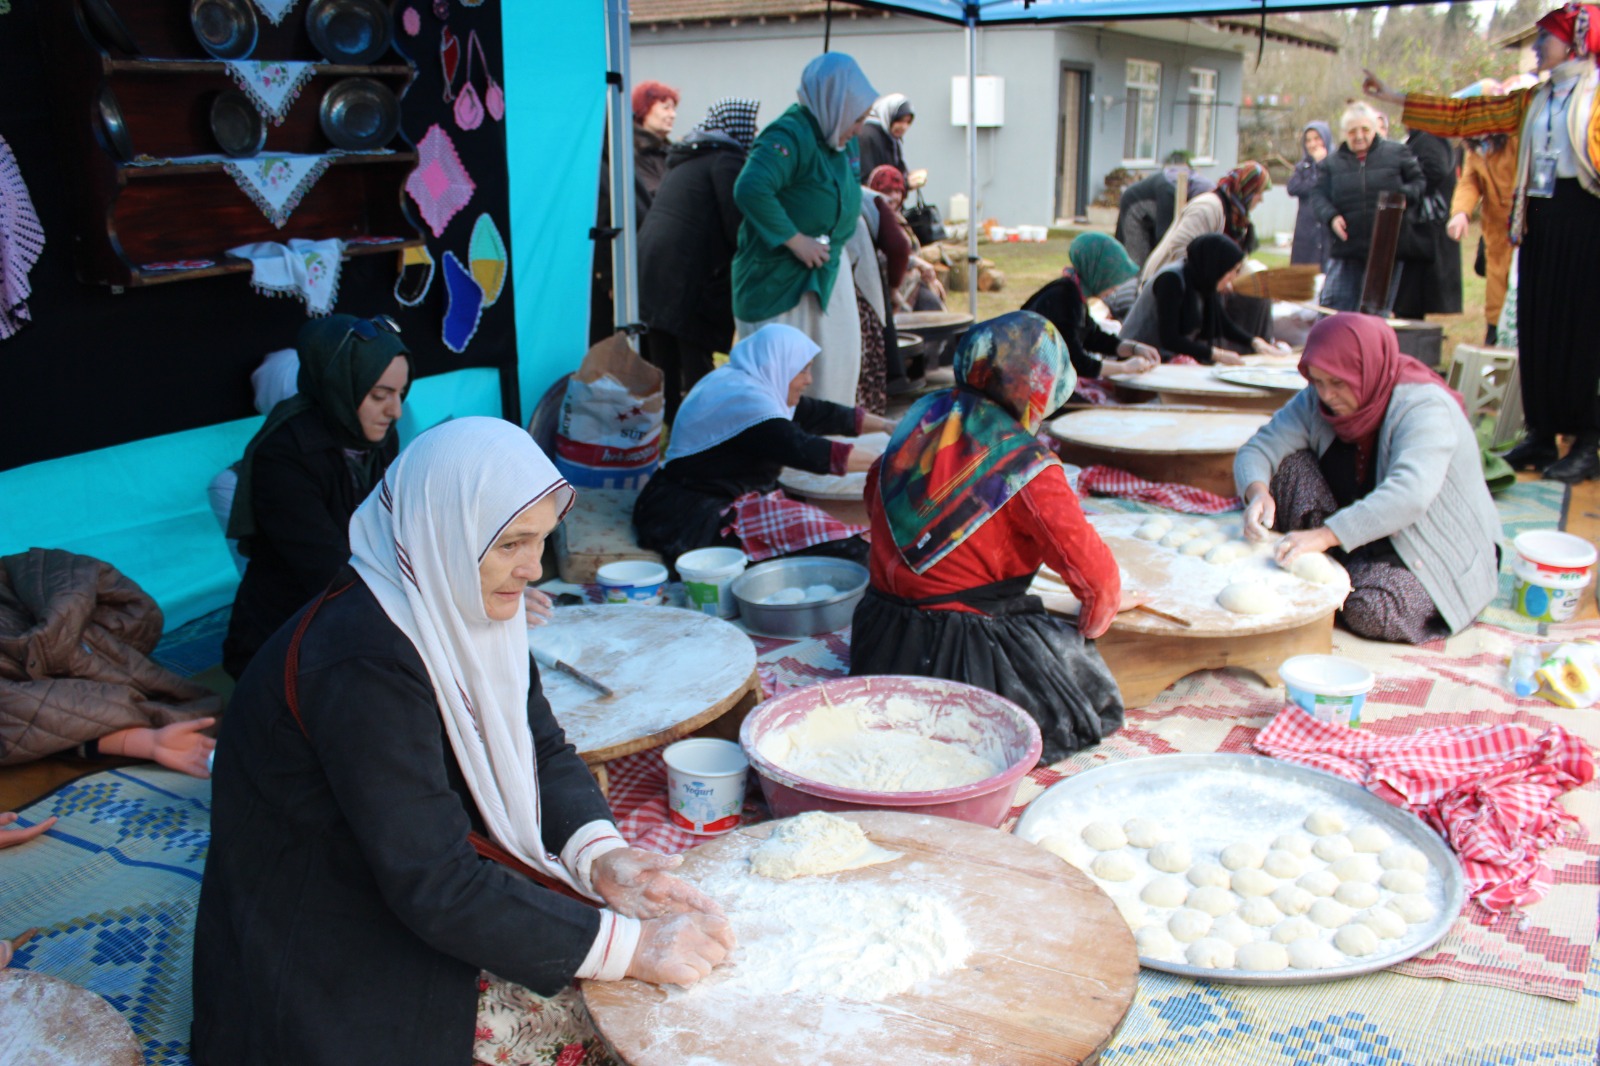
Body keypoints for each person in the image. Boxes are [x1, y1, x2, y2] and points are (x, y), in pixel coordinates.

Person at [192, 418, 734, 1065]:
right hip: (325, 938)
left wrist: (603, 856)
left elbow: (541, 748)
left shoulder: (456, 608)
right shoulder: (360, 664)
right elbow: (432, 882)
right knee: (598, 1027)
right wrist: (632, 949)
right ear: (442, 535)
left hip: (403, 876)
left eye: (540, 541)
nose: (534, 569)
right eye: (511, 544)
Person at [849, 312, 1125, 763]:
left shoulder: (919, 425)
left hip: (882, 639)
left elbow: (873, 498)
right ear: (1039, 385)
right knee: (1083, 698)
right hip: (961, 657)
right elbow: (1095, 577)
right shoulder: (1024, 465)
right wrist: (1091, 625)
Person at [1366, 4, 1600, 480]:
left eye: (1545, 38)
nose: (1536, 47)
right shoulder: (1532, 98)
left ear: (1574, 42)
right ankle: (1541, 432)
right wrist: (1392, 96)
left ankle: (1586, 440)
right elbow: (1464, 115)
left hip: (1587, 221)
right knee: (1537, 326)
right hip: (1539, 219)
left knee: (1580, 332)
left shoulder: (1596, 97)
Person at [1236, 314, 1501, 644]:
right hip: (1359, 531)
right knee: (1285, 467)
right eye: (1317, 381)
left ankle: (1340, 568)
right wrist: (1257, 491)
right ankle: (1341, 565)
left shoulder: (1424, 407)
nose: (1327, 395)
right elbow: (1260, 448)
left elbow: (1410, 495)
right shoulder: (1317, 398)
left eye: (1339, 383)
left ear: (1366, 371)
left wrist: (1326, 535)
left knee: (1370, 609)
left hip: (1429, 548)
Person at [222, 314, 409, 680]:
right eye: (380, 395)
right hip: (287, 641)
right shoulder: (283, 455)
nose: (395, 410)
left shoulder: (379, 438)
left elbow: (400, 526)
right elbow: (328, 568)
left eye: (400, 394)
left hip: (359, 613)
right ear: (340, 385)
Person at [633, 325, 893, 566]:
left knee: (833, 536)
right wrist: (890, 460)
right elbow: (807, 451)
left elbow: (817, 413)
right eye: (803, 370)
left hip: (709, 500)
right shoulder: (744, 401)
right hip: (694, 516)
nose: (809, 379)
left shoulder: (748, 382)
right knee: (851, 551)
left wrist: (887, 426)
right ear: (777, 365)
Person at [732, 52, 878, 407]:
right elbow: (750, 188)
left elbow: (845, 186)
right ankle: (789, 460)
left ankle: (830, 453)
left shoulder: (842, 137)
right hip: (780, 280)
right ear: (832, 104)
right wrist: (796, 241)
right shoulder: (788, 135)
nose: (859, 128)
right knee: (788, 384)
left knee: (834, 373)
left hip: (826, 271)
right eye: (856, 118)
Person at [638, 98, 760, 421]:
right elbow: (736, 224)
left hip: (651, 266)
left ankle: (668, 437)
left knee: (664, 363)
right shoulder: (725, 158)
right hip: (683, 273)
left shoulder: (691, 156)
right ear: (738, 127)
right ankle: (704, 437)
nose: (756, 133)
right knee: (696, 360)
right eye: (753, 125)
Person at [1309, 102, 1425, 313]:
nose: (1359, 136)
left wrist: (1402, 199)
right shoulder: (1331, 164)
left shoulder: (1397, 153)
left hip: (1386, 249)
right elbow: (1317, 195)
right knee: (1336, 310)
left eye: (1365, 130)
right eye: (1352, 131)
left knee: (1374, 313)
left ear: (1374, 129)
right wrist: (1331, 217)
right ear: (1344, 134)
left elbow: (1418, 183)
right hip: (1347, 248)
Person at [1020, 232, 1159, 386]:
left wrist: (1134, 348)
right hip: (1026, 382)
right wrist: (1124, 368)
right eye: (1112, 278)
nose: (1115, 288)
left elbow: (1092, 337)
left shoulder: (1074, 292)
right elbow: (1075, 362)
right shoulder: (1063, 298)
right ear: (1098, 272)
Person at [1120, 234, 1280, 365]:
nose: (1233, 277)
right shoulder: (1171, 280)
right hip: (1137, 357)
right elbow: (1170, 339)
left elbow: (1223, 324)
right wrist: (1217, 354)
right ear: (1216, 265)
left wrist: (1254, 342)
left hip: (1162, 358)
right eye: (1231, 270)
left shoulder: (1204, 281)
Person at [1446, 79, 1522, 345]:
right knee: (1496, 288)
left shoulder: (1516, 136)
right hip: (1496, 231)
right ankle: (1494, 337)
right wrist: (1461, 213)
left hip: (1526, 227)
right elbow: (1469, 181)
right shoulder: (1475, 148)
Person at [1139, 161, 1270, 283]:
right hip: (1165, 285)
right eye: (1259, 193)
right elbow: (1180, 249)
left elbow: (1234, 262)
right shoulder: (1208, 207)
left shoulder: (1236, 220)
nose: (1261, 200)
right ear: (1248, 190)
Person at [1392, 124, 1463, 320]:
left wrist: (1407, 186)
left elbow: (1435, 169)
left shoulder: (1429, 137)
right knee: (1410, 297)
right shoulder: (1424, 137)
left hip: (1424, 228)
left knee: (1412, 296)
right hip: (1423, 230)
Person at [866, 165, 946, 313]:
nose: (894, 197)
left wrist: (930, 278)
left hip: (914, 284)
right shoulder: (872, 221)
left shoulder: (899, 218)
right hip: (888, 291)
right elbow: (882, 256)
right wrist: (917, 263)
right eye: (887, 191)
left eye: (897, 191)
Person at [1115, 153, 1216, 269]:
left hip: (1154, 210)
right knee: (1138, 268)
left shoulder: (1206, 189)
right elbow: (1166, 238)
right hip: (1134, 208)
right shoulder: (1170, 191)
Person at [1288, 121, 1334, 268]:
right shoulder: (1303, 167)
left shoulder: (1336, 164)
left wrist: (1322, 164)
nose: (1313, 144)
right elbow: (1294, 188)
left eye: (1317, 138)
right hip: (1306, 233)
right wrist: (1317, 171)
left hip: (1327, 231)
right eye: (1308, 140)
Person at [858, 93, 914, 179]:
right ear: (889, 115)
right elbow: (868, 178)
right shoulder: (868, 136)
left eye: (908, 122)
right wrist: (906, 183)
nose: (904, 127)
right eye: (900, 121)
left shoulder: (892, 139)